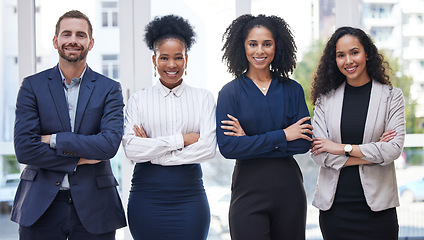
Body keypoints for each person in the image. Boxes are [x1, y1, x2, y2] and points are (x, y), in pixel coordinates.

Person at [12, 10, 126, 239]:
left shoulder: (109, 89)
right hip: (40, 205)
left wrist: (54, 139)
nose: (73, 40)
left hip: (96, 207)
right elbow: (25, 148)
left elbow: (109, 146)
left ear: (90, 43)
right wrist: (78, 159)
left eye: (80, 35)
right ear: (55, 41)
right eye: (67, 34)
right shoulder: (32, 86)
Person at [216, 14, 313, 240]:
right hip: (247, 193)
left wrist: (249, 140)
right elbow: (229, 148)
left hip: (289, 192)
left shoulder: (293, 89)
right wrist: (284, 135)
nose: (260, 51)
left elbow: (303, 143)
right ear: (243, 47)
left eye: (267, 44)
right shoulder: (229, 93)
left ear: (276, 47)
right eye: (253, 44)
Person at [121, 15, 216, 240]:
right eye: (164, 58)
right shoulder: (138, 100)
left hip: (190, 198)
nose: (171, 65)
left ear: (186, 59)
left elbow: (208, 149)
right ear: (154, 60)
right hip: (146, 198)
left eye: (177, 57)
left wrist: (153, 151)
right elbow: (132, 150)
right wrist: (183, 140)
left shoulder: (203, 98)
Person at [310, 26, 405, 240]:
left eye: (354, 52)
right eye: (340, 55)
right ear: (334, 60)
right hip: (335, 210)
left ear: (367, 54)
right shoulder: (325, 100)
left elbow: (392, 150)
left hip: (378, 211)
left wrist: (339, 148)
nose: (348, 61)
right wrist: (373, 154)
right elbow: (319, 154)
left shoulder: (392, 97)